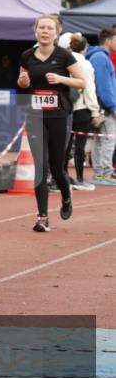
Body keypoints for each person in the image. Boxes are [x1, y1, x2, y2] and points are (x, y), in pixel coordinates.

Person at [17, 15, 85, 231]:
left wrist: (62, 79)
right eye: (41, 27)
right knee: (41, 168)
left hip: (59, 116)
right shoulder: (27, 55)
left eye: (49, 28)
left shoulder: (64, 56)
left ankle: (66, 196)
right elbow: (22, 80)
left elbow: (82, 82)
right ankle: (42, 217)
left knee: (56, 167)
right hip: (36, 116)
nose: (45, 31)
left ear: (56, 32)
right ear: (35, 30)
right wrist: (23, 81)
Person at [66, 33, 101, 190]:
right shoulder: (85, 64)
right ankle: (80, 178)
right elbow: (89, 89)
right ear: (84, 48)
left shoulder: (63, 59)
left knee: (64, 145)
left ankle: (62, 176)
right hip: (81, 108)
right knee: (80, 145)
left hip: (65, 107)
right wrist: (95, 112)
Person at [86, 28, 116, 185]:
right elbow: (104, 86)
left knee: (100, 140)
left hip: (101, 105)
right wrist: (113, 107)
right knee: (109, 139)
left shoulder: (99, 56)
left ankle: (99, 174)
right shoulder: (100, 58)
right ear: (108, 40)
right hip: (104, 106)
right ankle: (104, 174)